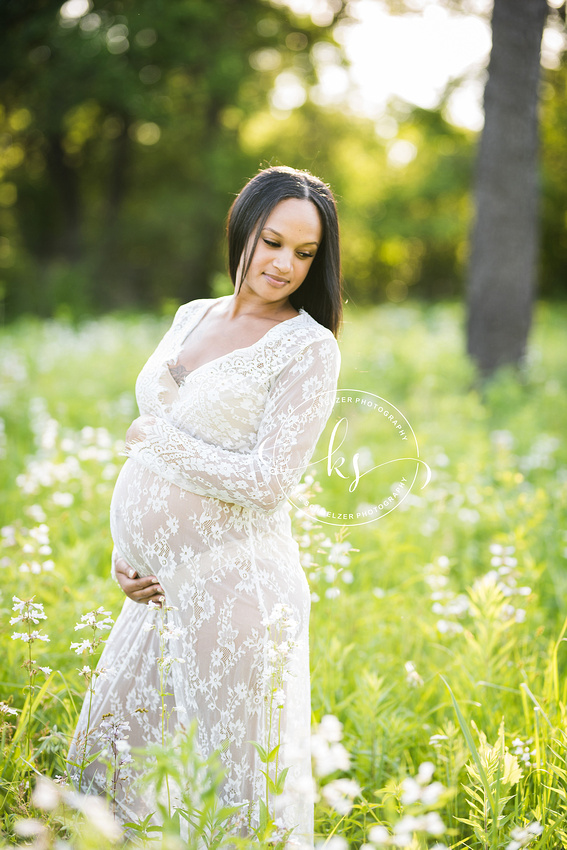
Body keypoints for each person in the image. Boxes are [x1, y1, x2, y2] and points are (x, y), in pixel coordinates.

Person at [67, 165, 342, 845]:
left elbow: (268, 480)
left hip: (237, 593)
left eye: (303, 253)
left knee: (222, 797)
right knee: (117, 778)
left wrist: (152, 438)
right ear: (243, 228)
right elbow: (159, 463)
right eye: (272, 241)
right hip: (159, 595)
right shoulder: (193, 315)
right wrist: (126, 555)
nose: (284, 264)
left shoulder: (307, 347)